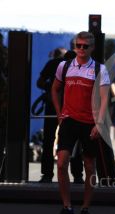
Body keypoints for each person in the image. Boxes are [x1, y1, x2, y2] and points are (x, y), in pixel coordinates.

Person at [52, 31, 110, 214]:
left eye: (85, 46)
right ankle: (67, 207)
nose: (81, 49)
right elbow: (55, 89)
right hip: (69, 120)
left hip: (90, 123)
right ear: (74, 46)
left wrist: (99, 124)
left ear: (92, 47)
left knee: (90, 166)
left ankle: (85, 207)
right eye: (78, 45)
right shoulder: (64, 65)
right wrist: (60, 112)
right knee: (61, 163)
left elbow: (104, 99)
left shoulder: (100, 70)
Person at [37, 48, 84, 184]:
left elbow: (39, 82)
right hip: (73, 108)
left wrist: (49, 88)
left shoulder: (53, 64)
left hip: (53, 106)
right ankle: (78, 175)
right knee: (75, 142)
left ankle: (46, 175)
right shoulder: (79, 66)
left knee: (48, 140)